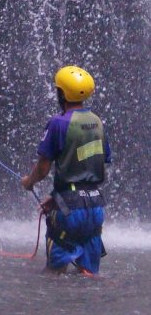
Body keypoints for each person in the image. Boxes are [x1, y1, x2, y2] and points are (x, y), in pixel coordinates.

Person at [21, 65, 112, 275]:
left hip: (69, 211)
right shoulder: (97, 122)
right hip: (96, 206)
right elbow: (93, 164)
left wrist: (28, 182)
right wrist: (57, 197)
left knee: (54, 274)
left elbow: (43, 168)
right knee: (89, 275)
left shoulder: (58, 123)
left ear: (61, 94)